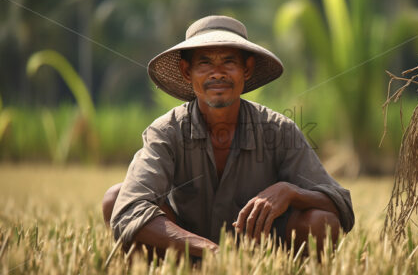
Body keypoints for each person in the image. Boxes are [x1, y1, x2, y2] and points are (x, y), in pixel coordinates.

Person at [102, 15, 354, 258]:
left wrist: (290, 192)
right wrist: (212, 252)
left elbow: (340, 205)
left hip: (261, 257)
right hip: (183, 254)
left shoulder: (279, 129)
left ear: (247, 69)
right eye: (205, 63)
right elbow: (129, 208)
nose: (217, 73)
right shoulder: (166, 131)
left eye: (229, 62)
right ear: (186, 71)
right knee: (116, 199)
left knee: (323, 221)